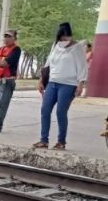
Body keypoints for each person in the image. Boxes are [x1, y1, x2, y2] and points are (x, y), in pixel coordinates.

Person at [33, 22, 88, 150]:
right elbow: (48, 63)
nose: (64, 41)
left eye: (66, 38)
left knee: (60, 112)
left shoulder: (77, 47)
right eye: (61, 38)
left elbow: (82, 66)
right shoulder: (56, 45)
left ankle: (61, 141)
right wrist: (42, 80)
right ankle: (43, 140)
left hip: (68, 84)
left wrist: (81, 84)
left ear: (70, 36)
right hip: (52, 82)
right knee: (45, 110)